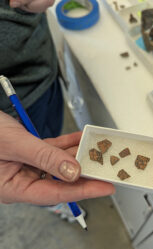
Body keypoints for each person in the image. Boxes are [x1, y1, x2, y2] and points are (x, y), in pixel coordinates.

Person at [0, 0, 115, 207]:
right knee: (29, 159)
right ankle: (53, 200)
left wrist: (29, 8)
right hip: (15, 104)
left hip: (42, 69)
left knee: (54, 132)